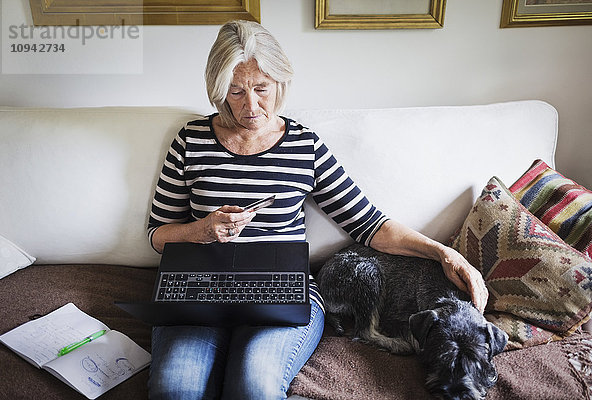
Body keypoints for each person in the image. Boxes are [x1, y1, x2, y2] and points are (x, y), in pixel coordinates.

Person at [146, 20, 488, 400]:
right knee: (173, 390)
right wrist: (201, 230)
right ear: (218, 88)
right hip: (202, 289)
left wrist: (444, 253)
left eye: (261, 89)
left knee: (253, 388)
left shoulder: (304, 146)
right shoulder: (190, 141)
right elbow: (158, 236)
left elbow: (371, 225)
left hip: (285, 293)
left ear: (280, 82)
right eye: (236, 91)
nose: (251, 105)